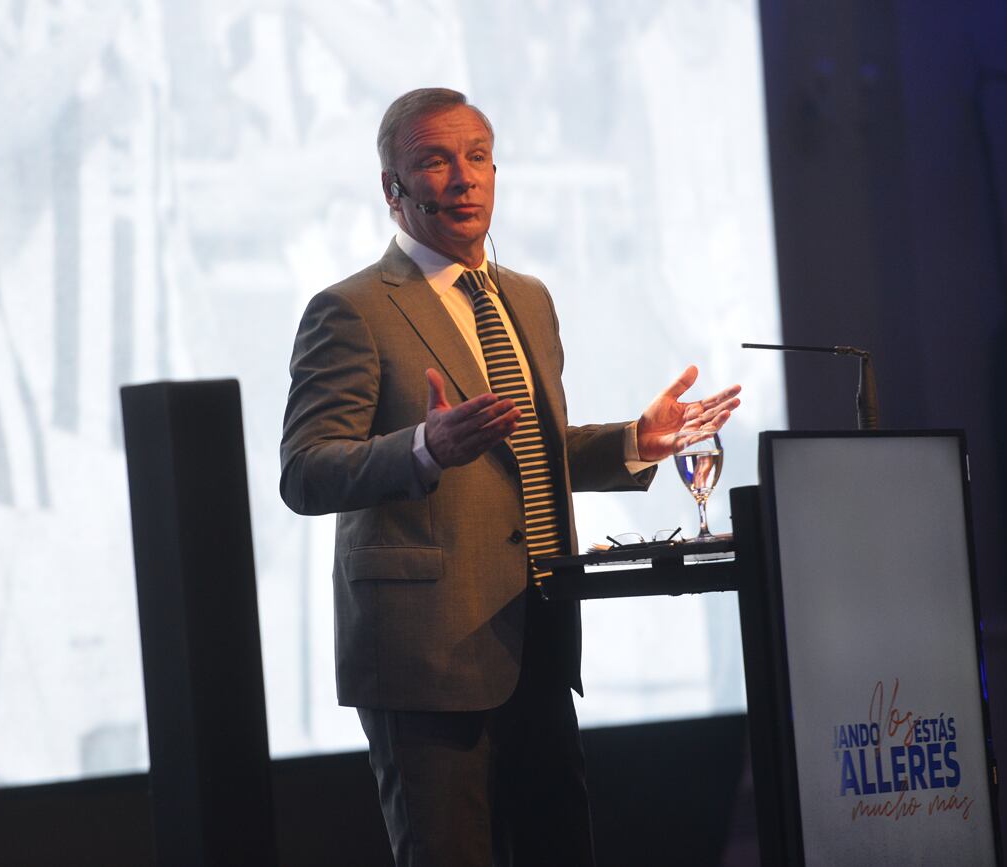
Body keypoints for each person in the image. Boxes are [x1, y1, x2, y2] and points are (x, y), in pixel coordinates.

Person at [280, 88, 741, 867]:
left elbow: (526, 452)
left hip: (538, 638)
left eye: (478, 157)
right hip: (425, 657)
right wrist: (422, 447)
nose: (464, 177)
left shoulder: (526, 297)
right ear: (393, 190)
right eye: (435, 160)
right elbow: (306, 471)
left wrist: (635, 440)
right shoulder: (351, 309)